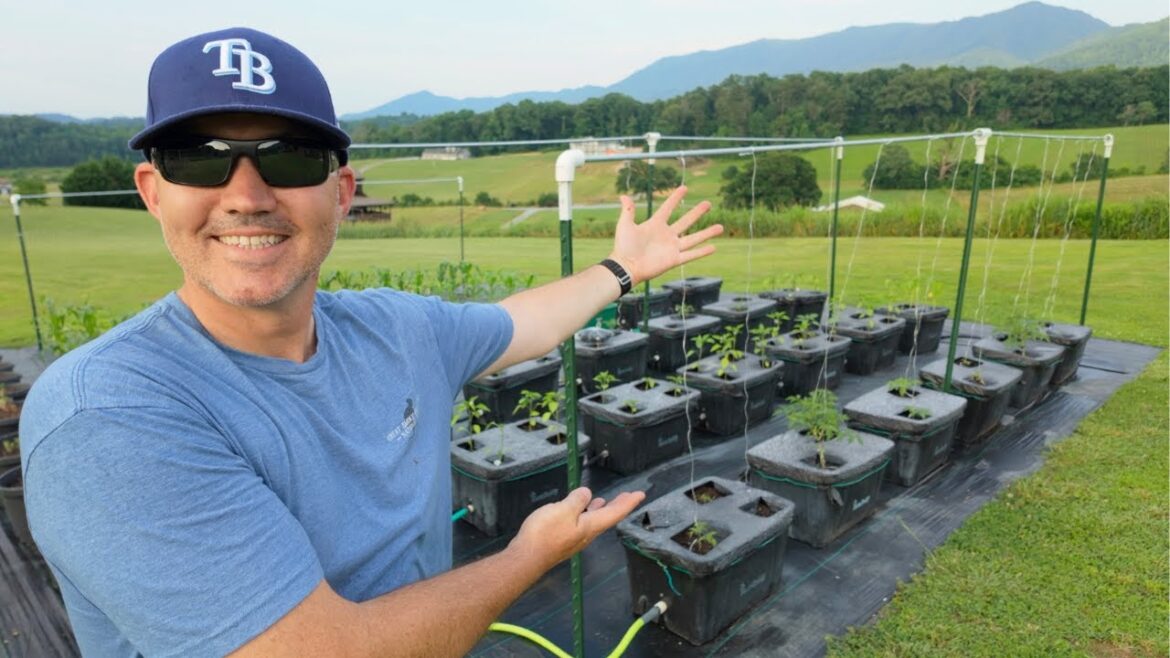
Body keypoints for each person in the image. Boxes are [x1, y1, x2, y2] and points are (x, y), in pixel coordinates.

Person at [19, 26, 722, 658]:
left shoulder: (394, 329)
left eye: (290, 158)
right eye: (200, 160)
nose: (246, 196)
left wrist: (623, 269)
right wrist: (527, 556)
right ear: (153, 191)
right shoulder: (107, 415)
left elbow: (524, 323)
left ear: (341, 191)